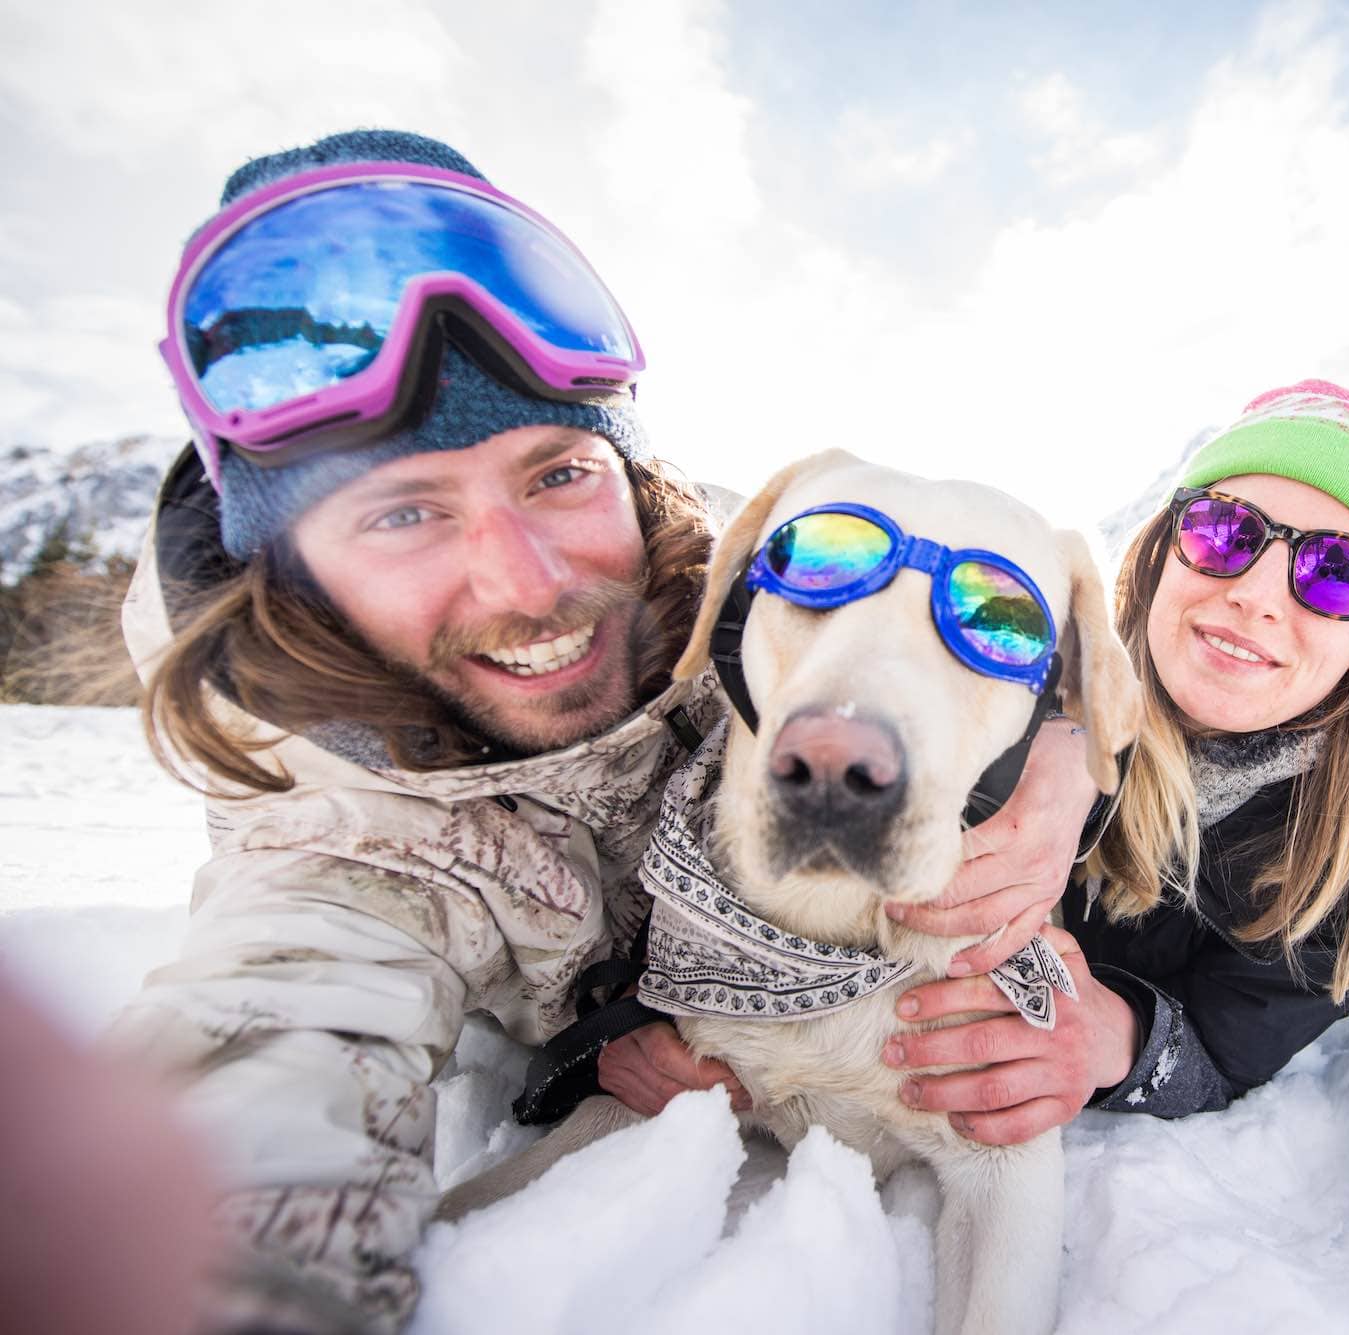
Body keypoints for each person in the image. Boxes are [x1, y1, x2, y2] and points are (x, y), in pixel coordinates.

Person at [112, 126, 1104, 1332]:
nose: (527, 583)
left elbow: (1020, 638)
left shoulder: (732, 584)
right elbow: (265, 1063)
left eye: (557, 473)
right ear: (291, 568)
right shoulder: (338, 860)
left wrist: (1063, 749)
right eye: (402, 512)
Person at [881, 379, 1349, 1135]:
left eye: (1335, 573)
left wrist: (1114, 1038)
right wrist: (1071, 733)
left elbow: (1228, 1045)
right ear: (1163, 552)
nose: (1255, 595)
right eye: (1224, 531)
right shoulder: (1018, 655)